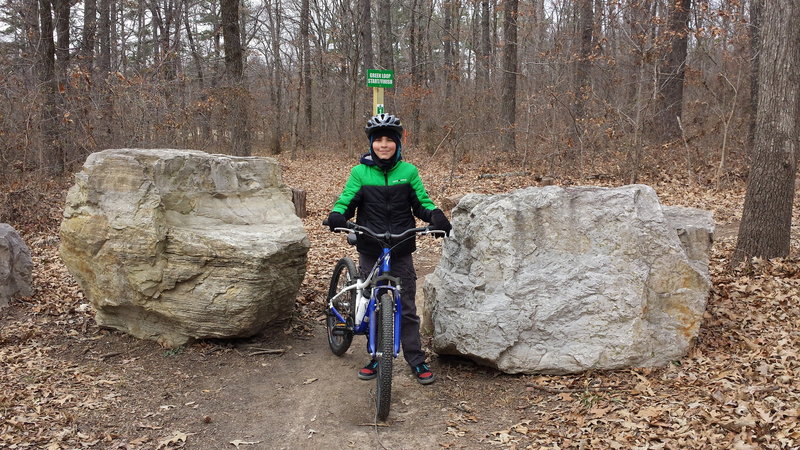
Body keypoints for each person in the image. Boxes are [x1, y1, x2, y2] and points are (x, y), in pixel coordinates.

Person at [327, 113, 452, 385]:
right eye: (378, 140)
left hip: (400, 245)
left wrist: (435, 216)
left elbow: (421, 203)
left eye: (389, 140)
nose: (384, 145)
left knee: (406, 306)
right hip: (370, 243)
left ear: (398, 143)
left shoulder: (408, 172)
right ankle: (375, 356)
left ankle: (416, 360)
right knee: (373, 303)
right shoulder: (360, 172)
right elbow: (347, 199)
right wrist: (338, 214)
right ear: (372, 143)